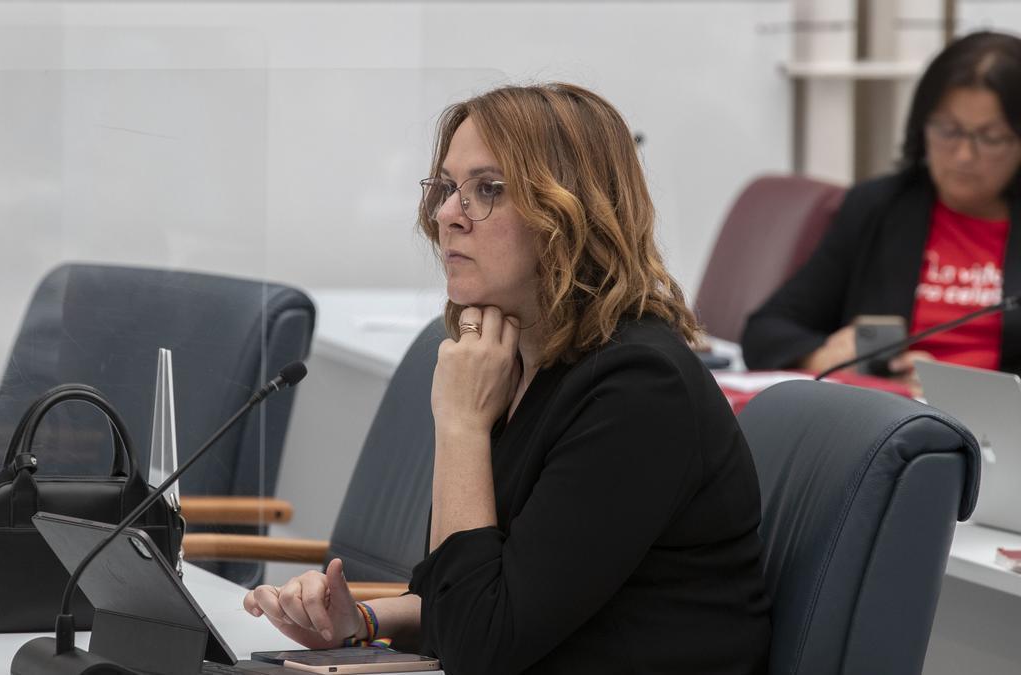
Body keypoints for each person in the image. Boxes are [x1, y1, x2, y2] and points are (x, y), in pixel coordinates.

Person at [243, 83, 770, 674]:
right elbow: (463, 592)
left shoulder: (638, 388)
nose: (446, 215)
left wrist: (463, 427)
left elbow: (478, 647)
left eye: (487, 190)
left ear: (571, 212)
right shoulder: (520, 361)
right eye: (447, 187)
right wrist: (362, 623)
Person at [742, 31, 1021, 387]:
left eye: (990, 137)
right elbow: (767, 330)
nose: (964, 155)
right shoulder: (879, 207)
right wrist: (823, 355)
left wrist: (949, 387)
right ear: (922, 126)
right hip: (887, 426)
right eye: (948, 130)